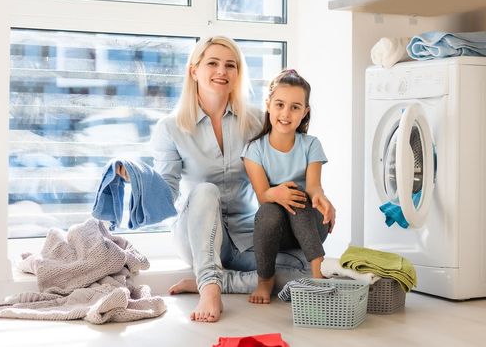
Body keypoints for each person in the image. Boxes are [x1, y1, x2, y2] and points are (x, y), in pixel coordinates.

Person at [116, 36, 335, 323]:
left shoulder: (257, 120)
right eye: (213, 63)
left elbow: (286, 166)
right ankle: (209, 287)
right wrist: (139, 179)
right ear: (194, 70)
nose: (222, 71)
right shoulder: (170, 127)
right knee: (206, 190)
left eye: (230, 65)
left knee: (311, 269)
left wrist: (317, 197)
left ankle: (221, 281)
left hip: (247, 238)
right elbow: (168, 192)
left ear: (238, 73)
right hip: (200, 238)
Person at [241, 69, 334, 304]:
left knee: (299, 197)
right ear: (269, 105)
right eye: (280, 104)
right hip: (275, 231)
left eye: (295, 107)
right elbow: (263, 196)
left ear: (305, 112)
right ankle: (265, 280)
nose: (286, 113)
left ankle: (316, 271)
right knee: (270, 208)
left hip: (310, 226)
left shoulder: (311, 145)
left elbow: (314, 187)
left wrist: (322, 200)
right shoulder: (255, 150)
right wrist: (276, 193)